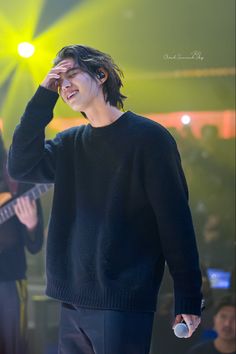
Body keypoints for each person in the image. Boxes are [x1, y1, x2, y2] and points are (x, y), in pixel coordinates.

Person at [7, 44, 202, 354]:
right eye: (59, 81)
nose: (64, 84)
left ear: (101, 74)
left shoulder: (149, 139)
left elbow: (175, 223)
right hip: (71, 300)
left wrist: (188, 296)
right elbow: (20, 165)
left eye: (72, 74)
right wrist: (44, 95)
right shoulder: (69, 143)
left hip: (122, 300)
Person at [0, 131, 44, 354]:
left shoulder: (19, 178)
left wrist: (31, 224)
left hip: (9, 280)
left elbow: (35, 247)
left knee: (13, 345)